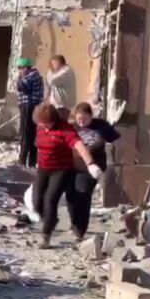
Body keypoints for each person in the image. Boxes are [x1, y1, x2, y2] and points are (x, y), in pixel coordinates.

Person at [32, 103, 100, 249]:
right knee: (36, 200)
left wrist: (90, 164)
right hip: (43, 168)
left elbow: (79, 146)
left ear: (54, 121)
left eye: (47, 124)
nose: (45, 127)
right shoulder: (40, 127)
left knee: (50, 199)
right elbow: (39, 145)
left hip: (61, 170)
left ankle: (46, 235)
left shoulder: (64, 129)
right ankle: (50, 220)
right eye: (42, 124)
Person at [66, 102, 120, 240]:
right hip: (72, 166)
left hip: (92, 168)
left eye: (84, 118)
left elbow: (116, 138)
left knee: (83, 194)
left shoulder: (101, 126)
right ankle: (74, 223)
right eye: (79, 119)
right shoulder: (72, 128)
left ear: (91, 116)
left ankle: (80, 230)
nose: (81, 122)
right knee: (71, 195)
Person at [16, 57, 43, 168]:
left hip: (28, 106)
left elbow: (23, 87)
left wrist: (19, 78)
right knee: (32, 134)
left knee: (26, 133)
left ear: (25, 68)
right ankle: (32, 161)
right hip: (31, 106)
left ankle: (22, 160)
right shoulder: (35, 75)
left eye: (19, 68)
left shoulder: (31, 76)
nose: (18, 70)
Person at [46, 55, 74, 121]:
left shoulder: (66, 71)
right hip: (57, 105)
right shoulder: (58, 73)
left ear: (60, 63)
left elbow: (52, 81)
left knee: (61, 123)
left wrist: (49, 71)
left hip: (62, 106)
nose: (53, 66)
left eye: (54, 64)